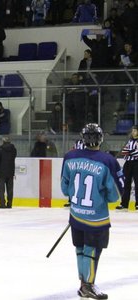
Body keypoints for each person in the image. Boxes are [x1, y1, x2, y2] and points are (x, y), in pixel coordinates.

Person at [61, 123, 123, 299]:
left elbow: (64, 188)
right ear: (100, 139)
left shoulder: (70, 157)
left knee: (80, 249)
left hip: (76, 214)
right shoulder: (107, 161)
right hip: (96, 217)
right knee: (92, 250)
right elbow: (116, 195)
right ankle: (88, 285)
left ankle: (83, 284)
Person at [117, 125, 138, 210]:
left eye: (135, 130)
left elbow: (136, 153)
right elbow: (124, 152)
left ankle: (137, 204)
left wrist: (129, 152)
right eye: (132, 130)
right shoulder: (130, 141)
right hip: (128, 163)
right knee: (126, 184)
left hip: (136, 164)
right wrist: (131, 152)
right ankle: (124, 203)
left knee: (137, 184)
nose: (133, 132)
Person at [0, 136, 17, 209]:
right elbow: (14, 158)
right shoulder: (13, 149)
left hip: (1, 172)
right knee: (10, 189)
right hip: (10, 171)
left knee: (1, 189)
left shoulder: (0, 149)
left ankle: (2, 204)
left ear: (3, 141)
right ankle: (9, 204)